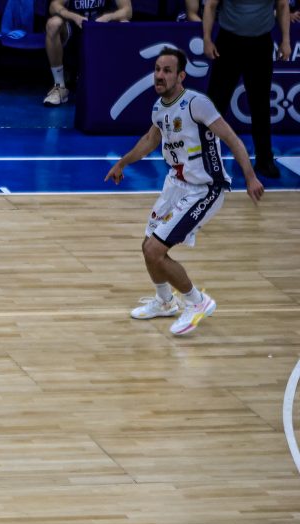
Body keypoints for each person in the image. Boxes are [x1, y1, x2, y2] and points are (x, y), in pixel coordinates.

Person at [104, 47, 264, 336]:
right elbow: (150, 140)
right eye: (157, 69)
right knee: (148, 246)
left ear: (181, 76)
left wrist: (250, 177)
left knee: (155, 250)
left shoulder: (196, 104)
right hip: (175, 185)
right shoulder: (159, 107)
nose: (159, 75)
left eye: (167, 70)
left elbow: (232, 139)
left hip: (205, 189)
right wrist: (122, 162)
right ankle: (165, 302)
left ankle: (197, 301)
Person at [203, 0, 293, 178]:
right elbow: (210, 5)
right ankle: (203, 158)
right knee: (215, 103)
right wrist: (207, 39)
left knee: (260, 104)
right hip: (229, 42)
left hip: (261, 44)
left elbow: (283, 5)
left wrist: (286, 40)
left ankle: (264, 160)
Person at [43, 0, 132, 106]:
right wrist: (74, 16)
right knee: (53, 24)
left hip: (103, 30)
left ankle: (117, 85)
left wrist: (108, 17)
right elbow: (53, 6)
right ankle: (59, 87)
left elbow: (128, 11)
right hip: (75, 29)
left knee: (124, 23)